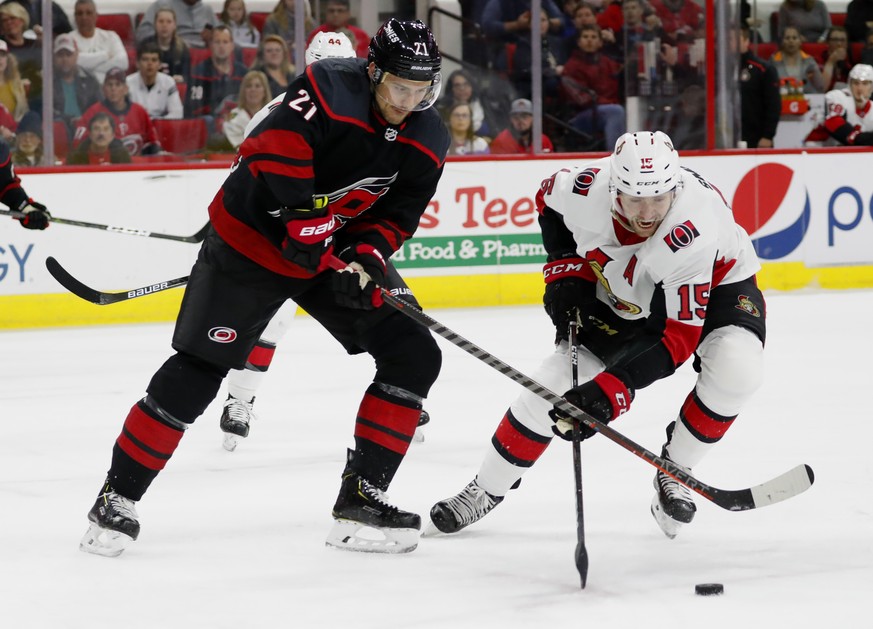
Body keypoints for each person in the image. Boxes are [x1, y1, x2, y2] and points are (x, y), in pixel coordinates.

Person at [78, 18, 449, 558]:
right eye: (398, 87)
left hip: (326, 255)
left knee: (414, 354)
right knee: (201, 370)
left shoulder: (428, 134)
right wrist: (302, 221)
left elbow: (399, 212)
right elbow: (271, 144)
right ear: (373, 73)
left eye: (421, 90)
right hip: (250, 242)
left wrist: (366, 254)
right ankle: (115, 499)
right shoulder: (328, 86)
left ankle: (359, 502)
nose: (408, 101)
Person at [428, 130, 765, 542]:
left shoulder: (694, 230)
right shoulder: (584, 187)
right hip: (620, 288)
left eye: (658, 199)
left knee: (737, 368)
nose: (647, 214)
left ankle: (676, 469)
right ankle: (485, 488)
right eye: (635, 199)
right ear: (614, 188)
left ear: (674, 188)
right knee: (551, 386)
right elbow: (547, 204)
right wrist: (566, 270)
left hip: (716, 285)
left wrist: (607, 394)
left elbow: (674, 338)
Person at [559, 24, 626, 150]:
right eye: (585, 37)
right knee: (616, 112)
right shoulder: (571, 66)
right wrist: (611, 104)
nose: (589, 40)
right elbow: (582, 99)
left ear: (600, 43)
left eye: (594, 37)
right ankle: (616, 156)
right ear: (579, 42)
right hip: (582, 116)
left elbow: (624, 71)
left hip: (609, 109)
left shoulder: (608, 62)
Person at [73, 67, 161, 156]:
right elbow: (78, 144)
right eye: (109, 85)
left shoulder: (139, 112)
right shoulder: (92, 112)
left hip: (136, 166)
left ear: (126, 89)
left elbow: (153, 143)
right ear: (103, 89)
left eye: (118, 84)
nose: (113, 89)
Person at [185, 23, 248, 118]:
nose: (221, 46)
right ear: (210, 45)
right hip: (208, 125)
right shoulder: (198, 73)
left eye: (225, 42)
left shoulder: (243, 73)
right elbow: (193, 109)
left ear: (232, 45)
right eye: (217, 42)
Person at [804, 63, 873, 146]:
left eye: (865, 84)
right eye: (856, 83)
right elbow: (833, 122)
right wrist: (858, 138)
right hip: (817, 149)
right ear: (849, 84)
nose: (860, 88)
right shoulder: (837, 97)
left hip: (848, 153)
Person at [739, 25, 781, 148]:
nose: (731, 43)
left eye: (736, 39)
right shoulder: (720, 69)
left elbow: (773, 104)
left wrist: (768, 136)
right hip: (728, 136)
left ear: (746, 41)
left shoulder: (763, 69)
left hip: (756, 137)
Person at [51, 32, 102, 131]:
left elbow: (100, 107)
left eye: (68, 54)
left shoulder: (89, 79)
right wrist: (70, 120)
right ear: (53, 57)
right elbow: (45, 111)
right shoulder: (46, 80)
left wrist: (85, 121)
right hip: (59, 129)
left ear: (76, 55)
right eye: (60, 55)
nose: (65, 59)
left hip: (88, 127)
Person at [69, 0, 128, 83]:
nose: (84, 17)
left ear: (96, 16)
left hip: (109, 90)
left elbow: (123, 62)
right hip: (80, 90)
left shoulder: (111, 37)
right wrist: (105, 56)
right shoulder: (68, 39)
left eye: (88, 13)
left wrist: (86, 67)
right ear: (75, 17)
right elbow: (69, 64)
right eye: (80, 13)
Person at [126, 41, 184, 120]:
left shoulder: (168, 82)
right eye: (145, 59)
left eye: (154, 60)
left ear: (160, 64)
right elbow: (124, 114)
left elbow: (177, 113)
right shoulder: (127, 83)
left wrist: (156, 122)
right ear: (137, 63)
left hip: (161, 126)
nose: (150, 64)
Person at [219, 69, 270, 149]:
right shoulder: (234, 115)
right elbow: (238, 146)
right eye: (249, 86)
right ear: (243, 91)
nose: (253, 90)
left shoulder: (272, 114)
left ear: (264, 91)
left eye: (257, 86)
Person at [136, 0, 218, 49]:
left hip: (204, 56)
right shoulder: (163, 5)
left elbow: (224, 35)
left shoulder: (207, 9)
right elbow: (142, 34)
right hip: (176, 53)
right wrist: (168, 38)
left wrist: (212, 38)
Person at [437, 68, 495, 138]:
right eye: (457, 85)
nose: (462, 89)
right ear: (451, 88)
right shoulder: (442, 109)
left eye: (466, 84)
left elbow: (493, 131)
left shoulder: (483, 104)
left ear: (472, 86)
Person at [140, 6, 191, 83]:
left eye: (169, 22)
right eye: (161, 21)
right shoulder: (145, 45)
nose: (164, 25)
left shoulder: (182, 48)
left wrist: (181, 78)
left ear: (174, 25)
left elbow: (187, 75)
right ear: (155, 24)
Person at [770, 26, 824, 94]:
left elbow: (820, 86)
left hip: (806, 98)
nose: (791, 41)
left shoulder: (809, 61)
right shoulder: (774, 60)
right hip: (780, 99)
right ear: (782, 42)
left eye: (794, 38)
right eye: (787, 38)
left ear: (800, 41)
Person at [489, 97, 554, 153]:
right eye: (516, 117)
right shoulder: (501, 141)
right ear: (511, 119)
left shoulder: (543, 140)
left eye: (524, 117)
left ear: (532, 118)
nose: (520, 121)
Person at [66, 111, 132, 164]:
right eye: (96, 129)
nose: (101, 133)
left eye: (106, 129)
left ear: (113, 135)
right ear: (90, 134)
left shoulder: (122, 156)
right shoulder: (76, 157)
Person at [0, 0, 71, 39]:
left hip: (45, 53)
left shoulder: (51, 7)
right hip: (13, 50)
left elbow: (66, 33)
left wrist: (49, 35)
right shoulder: (6, 6)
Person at [819, 26, 854, 91]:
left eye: (843, 40)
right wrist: (831, 62)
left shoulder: (849, 64)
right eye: (835, 40)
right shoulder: (818, 61)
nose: (839, 44)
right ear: (827, 43)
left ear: (847, 44)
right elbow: (821, 89)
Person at [0, 39, 27, 122]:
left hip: (16, 129)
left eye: (2, 55)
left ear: (7, 58)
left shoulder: (15, 83)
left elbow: (24, 112)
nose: (0, 59)